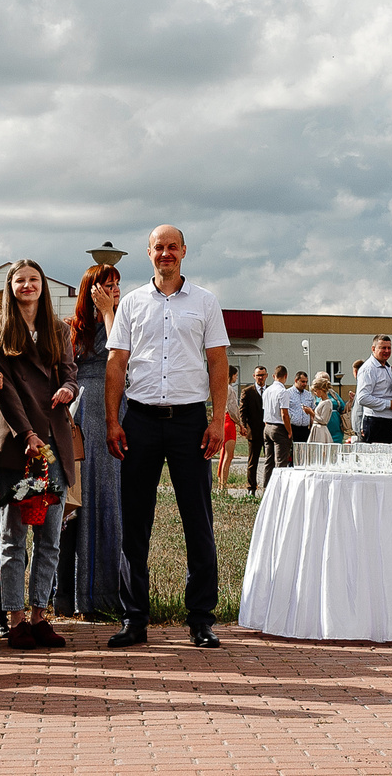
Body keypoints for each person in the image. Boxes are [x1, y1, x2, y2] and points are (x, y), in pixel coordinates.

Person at [103, 223, 232, 649]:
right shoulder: (133, 303)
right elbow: (116, 364)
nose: (165, 254)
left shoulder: (205, 302)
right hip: (138, 419)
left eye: (172, 247)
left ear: (184, 251)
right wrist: (112, 420)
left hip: (190, 423)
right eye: (158, 247)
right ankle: (134, 618)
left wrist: (217, 421)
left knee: (198, 520)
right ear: (148, 253)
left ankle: (200, 619)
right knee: (134, 521)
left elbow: (217, 363)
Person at [0, 258, 76, 650]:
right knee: (13, 537)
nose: (28, 285)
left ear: (43, 286)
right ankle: (15, 618)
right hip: (17, 445)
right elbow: (5, 388)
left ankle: (40, 614)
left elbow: (70, 370)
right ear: (10, 286)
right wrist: (26, 432)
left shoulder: (59, 328)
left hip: (54, 443)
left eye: (34, 279)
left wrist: (69, 389)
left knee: (50, 536)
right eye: (20, 280)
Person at [59, 263, 125, 618]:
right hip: (82, 413)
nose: (113, 290)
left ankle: (105, 595)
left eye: (117, 284)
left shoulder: (121, 320)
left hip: (114, 409)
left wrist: (110, 312)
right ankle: (68, 595)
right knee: (77, 499)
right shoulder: (72, 328)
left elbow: (119, 353)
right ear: (90, 290)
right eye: (106, 285)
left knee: (109, 495)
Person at [355, 336, 392, 443]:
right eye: (383, 348)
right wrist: (389, 404)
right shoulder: (368, 369)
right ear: (373, 349)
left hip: (391, 422)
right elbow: (362, 398)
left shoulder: (387, 367)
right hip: (376, 422)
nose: (387, 351)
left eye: (389, 348)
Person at [239, 366, 268, 492]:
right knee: (252, 462)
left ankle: (268, 487)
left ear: (266, 376)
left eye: (262, 375)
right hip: (254, 432)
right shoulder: (248, 391)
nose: (260, 377)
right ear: (254, 376)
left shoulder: (270, 390)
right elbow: (242, 411)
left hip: (268, 432)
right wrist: (243, 425)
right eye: (258, 375)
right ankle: (251, 487)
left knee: (269, 460)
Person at [319, 373, 345, 444]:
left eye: (327, 380)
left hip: (336, 426)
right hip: (323, 426)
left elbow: (343, 407)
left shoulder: (334, 394)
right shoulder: (316, 394)